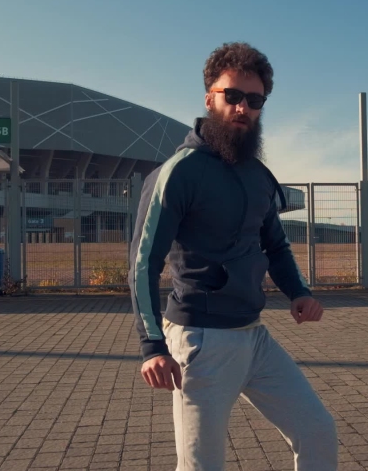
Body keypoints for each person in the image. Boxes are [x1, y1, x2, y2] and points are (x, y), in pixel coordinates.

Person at [128, 42, 339, 471]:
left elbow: (275, 245)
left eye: (255, 100)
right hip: (201, 342)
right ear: (210, 98)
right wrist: (152, 347)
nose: (243, 108)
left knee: (318, 430)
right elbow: (143, 263)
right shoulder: (179, 172)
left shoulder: (257, 175)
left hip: (254, 337)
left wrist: (298, 292)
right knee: (201, 465)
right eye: (233, 96)